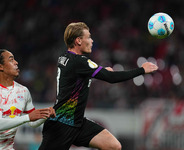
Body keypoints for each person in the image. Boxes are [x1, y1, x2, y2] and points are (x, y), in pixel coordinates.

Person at [39, 22, 158, 150]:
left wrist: (101, 72)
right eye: (88, 37)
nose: (92, 41)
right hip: (61, 125)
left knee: (113, 146)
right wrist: (142, 70)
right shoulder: (80, 62)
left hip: (78, 123)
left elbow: (77, 77)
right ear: (78, 40)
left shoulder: (64, 57)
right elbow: (111, 78)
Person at [0, 49, 56, 150]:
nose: (16, 62)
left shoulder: (23, 91)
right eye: (11, 60)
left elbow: (32, 123)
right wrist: (27, 117)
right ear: (0, 67)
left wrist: (45, 114)